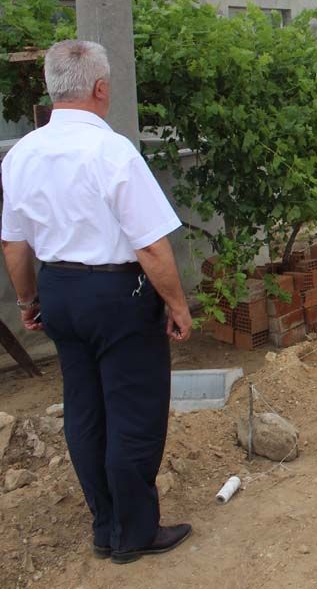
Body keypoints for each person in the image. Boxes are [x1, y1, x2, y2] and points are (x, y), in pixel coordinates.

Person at [1, 40, 194, 564]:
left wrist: (28, 299)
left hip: (58, 289)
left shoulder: (21, 154)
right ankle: (135, 533)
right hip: (116, 293)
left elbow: (13, 244)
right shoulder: (112, 152)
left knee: (85, 410)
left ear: (52, 88)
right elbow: (150, 245)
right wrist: (177, 305)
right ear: (101, 88)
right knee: (134, 410)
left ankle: (105, 525)